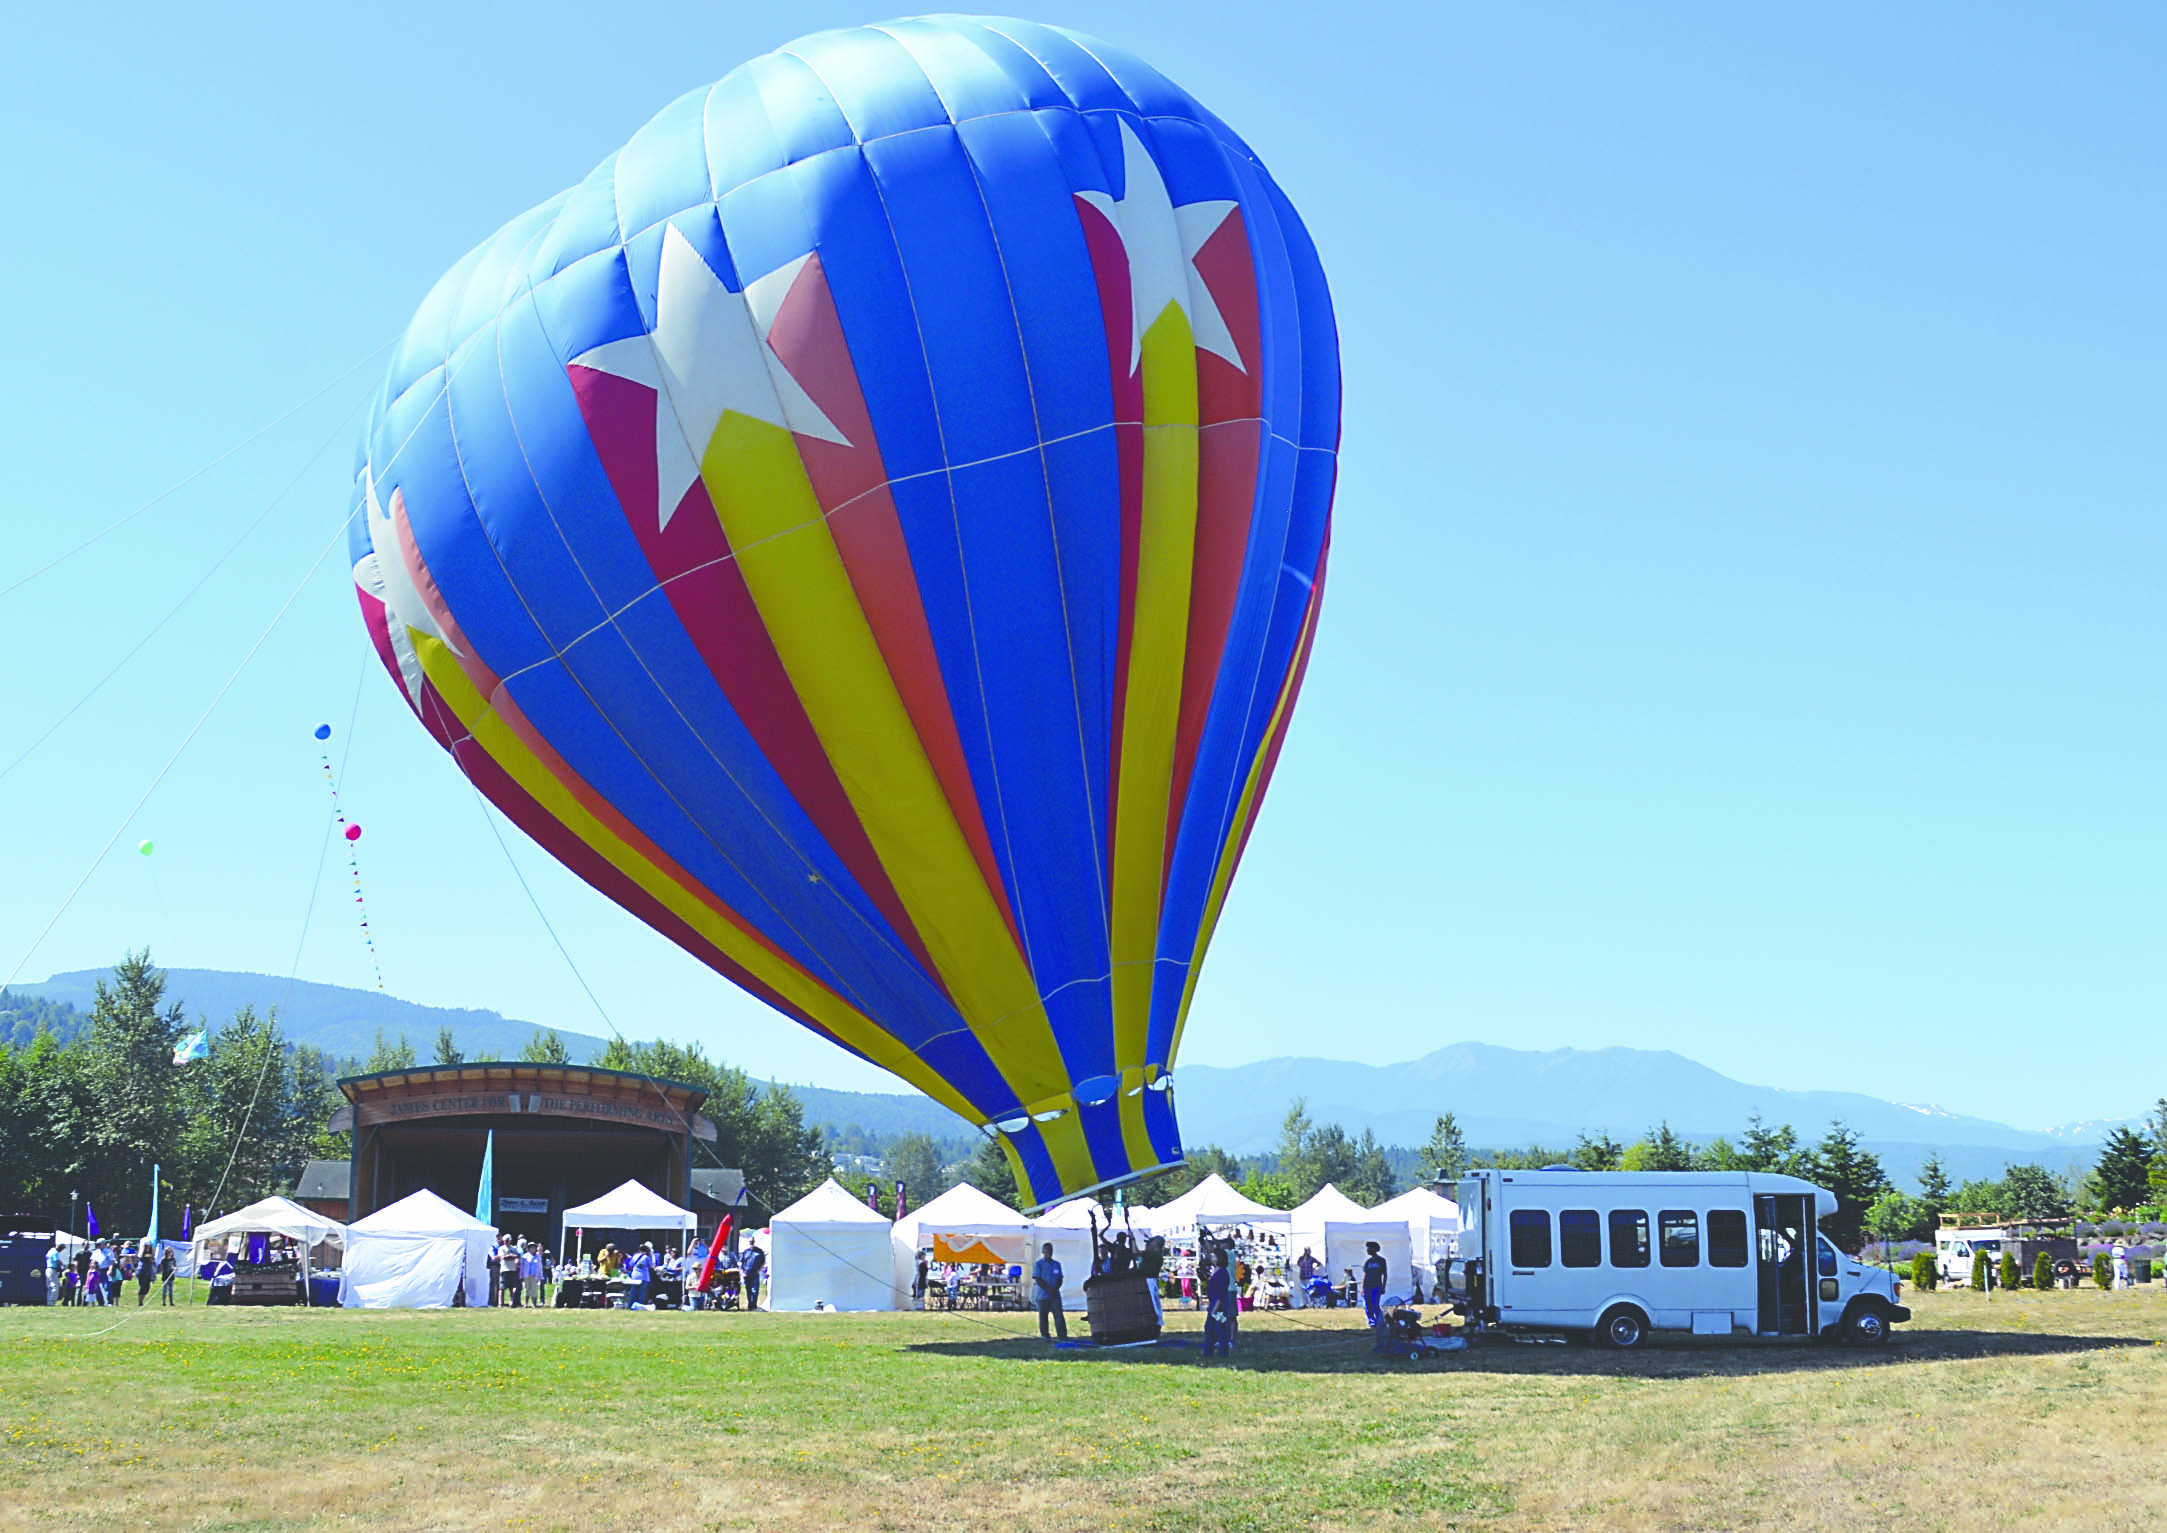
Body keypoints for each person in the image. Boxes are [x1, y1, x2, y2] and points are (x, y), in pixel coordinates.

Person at [1201, 1250, 1233, 1360]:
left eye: (1214, 1256)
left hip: (1219, 1305)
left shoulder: (1222, 1273)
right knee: (1209, 1328)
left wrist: (1216, 1306)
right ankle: (1208, 1351)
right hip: (1214, 1302)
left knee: (1220, 1329)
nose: (1212, 1257)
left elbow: (1221, 1291)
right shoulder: (1217, 1271)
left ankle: (1223, 1352)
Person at [1033, 1242, 1067, 1341]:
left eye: (1050, 1250)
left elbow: (1060, 1278)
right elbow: (1037, 1279)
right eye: (1047, 1250)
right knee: (1043, 1316)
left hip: (1055, 1295)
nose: (1049, 1252)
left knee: (1059, 1315)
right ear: (1043, 1251)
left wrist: (1055, 1289)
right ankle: (1045, 1335)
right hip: (1042, 1295)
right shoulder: (1038, 1264)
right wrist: (1048, 1289)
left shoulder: (1057, 1264)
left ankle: (1062, 1335)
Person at [1362, 1241, 1388, 1327]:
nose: (1367, 1250)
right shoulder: (1368, 1262)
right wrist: (1362, 1288)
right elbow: (1365, 1275)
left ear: (1374, 1249)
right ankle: (1371, 1321)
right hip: (1367, 1286)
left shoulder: (1381, 1261)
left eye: (1369, 1248)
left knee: (1374, 1303)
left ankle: (1380, 1320)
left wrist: (1383, 1287)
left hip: (1376, 1285)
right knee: (1367, 1305)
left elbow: (1385, 1274)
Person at [625, 1242, 654, 1308]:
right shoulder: (646, 1257)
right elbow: (650, 1266)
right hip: (644, 1276)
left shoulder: (635, 1256)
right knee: (642, 1292)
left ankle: (631, 1304)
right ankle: (639, 1305)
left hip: (635, 1275)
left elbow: (631, 1265)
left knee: (634, 1291)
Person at [738, 1240, 765, 1310]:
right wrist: (742, 1272)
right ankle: (750, 1305)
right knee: (748, 1290)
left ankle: (754, 1305)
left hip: (755, 1273)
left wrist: (759, 1270)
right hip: (746, 1273)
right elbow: (741, 1263)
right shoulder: (746, 1252)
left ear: (754, 1242)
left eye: (752, 1241)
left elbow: (763, 1262)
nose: (751, 1243)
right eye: (750, 1242)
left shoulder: (759, 1251)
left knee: (755, 1290)